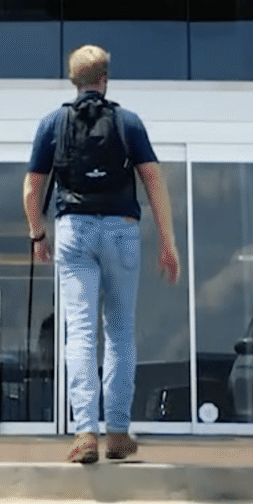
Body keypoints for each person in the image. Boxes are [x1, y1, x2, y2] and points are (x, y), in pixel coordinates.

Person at [24, 44, 180, 465]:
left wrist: (39, 235)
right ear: (104, 80)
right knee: (120, 332)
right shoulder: (128, 123)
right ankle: (117, 432)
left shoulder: (52, 123)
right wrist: (168, 242)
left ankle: (84, 433)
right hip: (121, 231)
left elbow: (32, 188)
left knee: (80, 332)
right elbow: (154, 182)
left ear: (73, 81)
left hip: (73, 230)